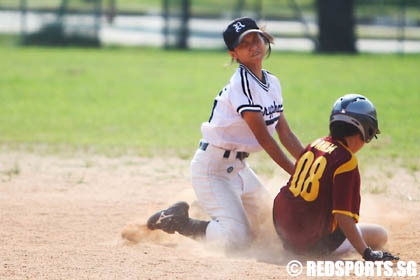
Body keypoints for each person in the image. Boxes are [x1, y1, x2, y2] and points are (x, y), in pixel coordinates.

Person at [146, 17, 304, 250]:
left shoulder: (272, 82)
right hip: (213, 170)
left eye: (256, 38)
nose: (253, 46)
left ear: (264, 38)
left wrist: (312, 165)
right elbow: (266, 141)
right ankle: (179, 221)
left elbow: (286, 134)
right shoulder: (241, 83)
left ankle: (211, 207)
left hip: (240, 169)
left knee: (271, 226)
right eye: (244, 43)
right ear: (233, 54)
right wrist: (297, 174)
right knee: (236, 239)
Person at [272, 94, 399, 261]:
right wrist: (367, 253)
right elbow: (342, 216)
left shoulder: (315, 144)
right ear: (363, 130)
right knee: (380, 234)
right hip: (315, 242)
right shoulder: (346, 160)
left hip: (285, 232)